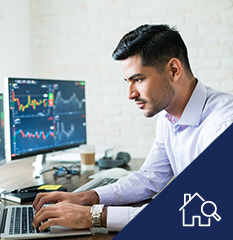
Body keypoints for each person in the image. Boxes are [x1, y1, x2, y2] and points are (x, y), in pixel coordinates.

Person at [32, 24, 233, 232]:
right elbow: (150, 178)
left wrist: (93, 216)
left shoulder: (223, 125)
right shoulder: (168, 117)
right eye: (128, 81)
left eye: (138, 79)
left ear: (174, 70)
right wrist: (85, 197)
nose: (130, 94)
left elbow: (200, 212)